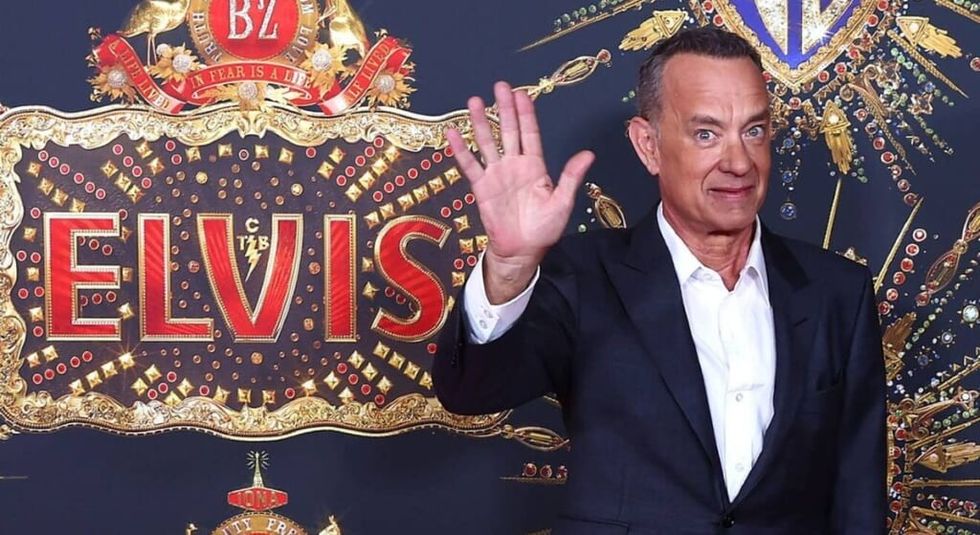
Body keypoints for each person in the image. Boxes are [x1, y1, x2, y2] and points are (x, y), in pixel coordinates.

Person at [433, 27, 885, 534]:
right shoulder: (582, 277)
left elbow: (859, 498)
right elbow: (469, 391)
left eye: (754, 131)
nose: (739, 162)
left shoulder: (837, 293)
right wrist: (510, 267)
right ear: (648, 145)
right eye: (706, 134)